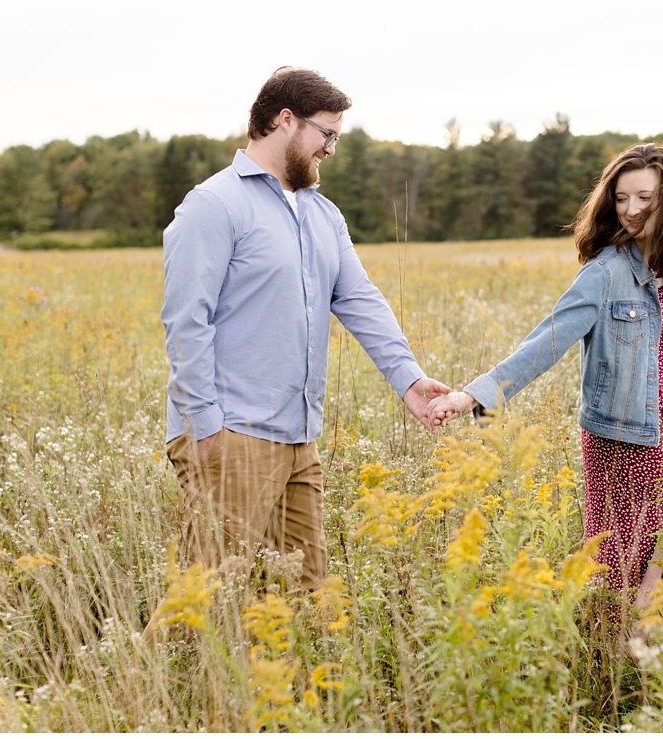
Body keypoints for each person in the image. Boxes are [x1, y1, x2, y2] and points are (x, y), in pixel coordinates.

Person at [431, 143, 663, 626]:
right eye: (622, 198)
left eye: (644, 198)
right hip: (623, 433)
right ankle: (643, 640)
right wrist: (472, 395)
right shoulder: (603, 274)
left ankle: (652, 633)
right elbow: (546, 341)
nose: (630, 210)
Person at [161, 66, 451, 591]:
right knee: (202, 598)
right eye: (327, 133)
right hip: (231, 433)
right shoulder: (213, 205)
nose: (331, 149)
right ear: (285, 120)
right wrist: (204, 428)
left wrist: (409, 380)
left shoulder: (323, 215)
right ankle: (159, 677)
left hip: (300, 437)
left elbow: (359, 299)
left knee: (308, 598)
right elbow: (186, 321)